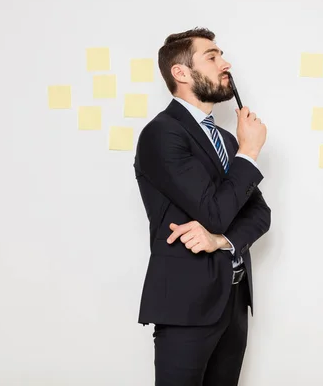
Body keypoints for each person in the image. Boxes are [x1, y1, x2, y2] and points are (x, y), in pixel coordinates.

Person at [133, 27, 271, 386]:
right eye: (212, 56)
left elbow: (260, 213)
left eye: (221, 55)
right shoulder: (162, 134)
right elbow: (214, 212)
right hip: (187, 306)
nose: (225, 63)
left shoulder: (227, 140)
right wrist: (251, 152)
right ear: (181, 73)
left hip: (233, 300)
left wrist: (219, 241)